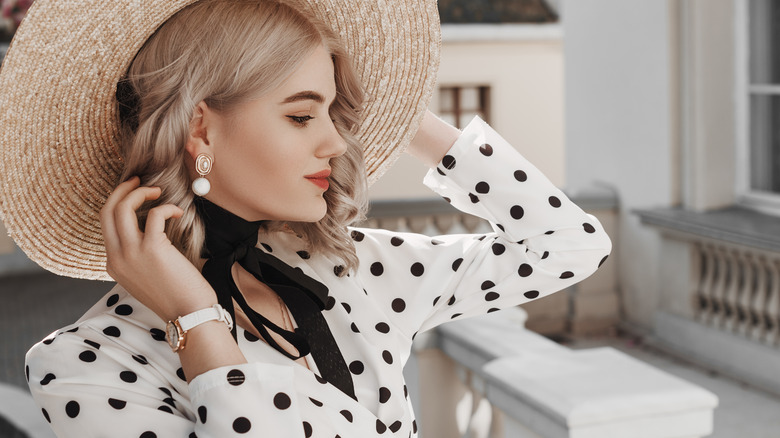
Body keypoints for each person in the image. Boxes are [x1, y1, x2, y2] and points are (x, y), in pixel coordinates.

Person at [0, 0, 611, 436]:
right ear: (200, 127)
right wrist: (197, 326)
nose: (339, 144)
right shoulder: (89, 365)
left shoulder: (354, 267)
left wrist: (400, 114)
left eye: (334, 112)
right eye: (301, 116)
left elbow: (568, 244)